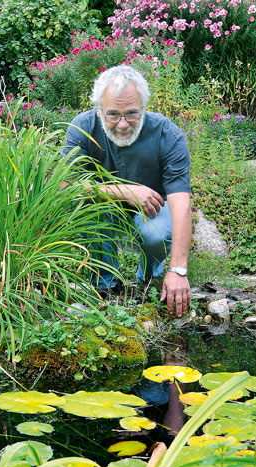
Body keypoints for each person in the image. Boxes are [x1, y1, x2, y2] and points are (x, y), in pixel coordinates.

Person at [61, 65, 192, 317]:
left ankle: (152, 275)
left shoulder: (168, 133)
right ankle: (105, 287)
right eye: (112, 114)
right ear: (99, 110)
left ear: (144, 107)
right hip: (102, 209)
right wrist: (124, 191)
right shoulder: (81, 128)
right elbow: (68, 187)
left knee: (156, 235)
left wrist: (178, 269)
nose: (122, 124)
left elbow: (181, 203)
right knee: (92, 214)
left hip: (154, 209)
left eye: (132, 113)